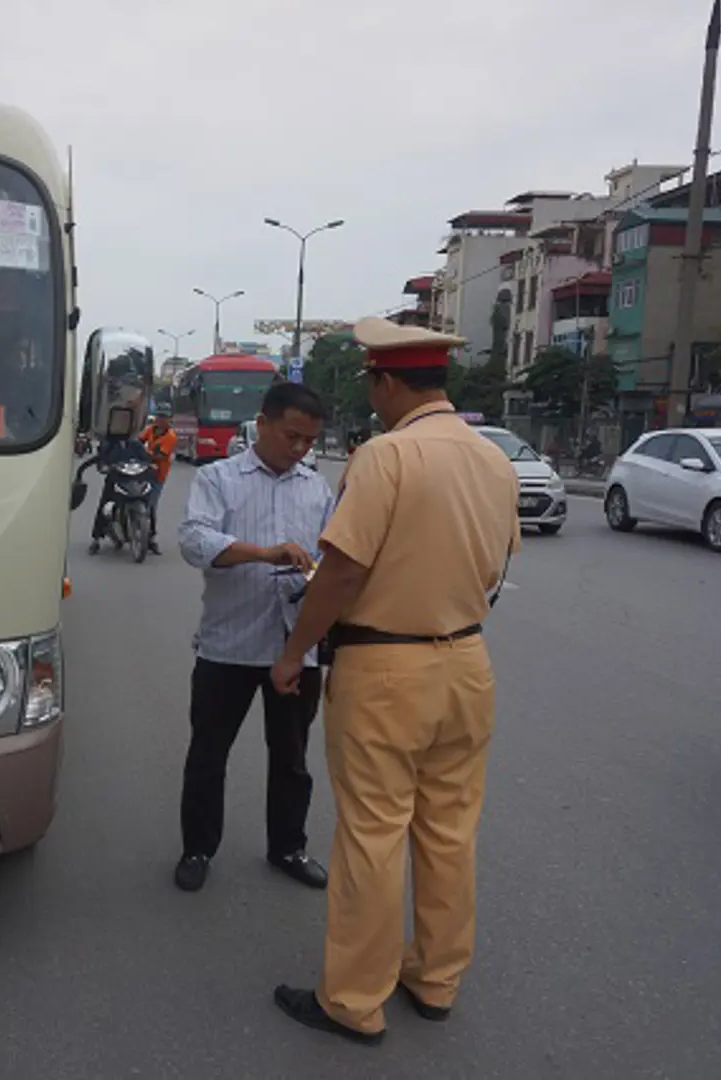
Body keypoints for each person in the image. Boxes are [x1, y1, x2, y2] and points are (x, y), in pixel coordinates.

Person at [264, 317, 518, 1046]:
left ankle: (351, 999)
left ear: (383, 380)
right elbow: (498, 569)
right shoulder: (490, 458)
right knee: (448, 831)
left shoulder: (387, 456)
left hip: (384, 669)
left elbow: (341, 569)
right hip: (466, 663)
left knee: (372, 835)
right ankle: (434, 980)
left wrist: (292, 655)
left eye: (371, 384)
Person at [174, 381, 334, 894]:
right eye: (292, 436)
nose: (300, 449)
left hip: (296, 647)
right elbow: (195, 541)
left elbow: (333, 556)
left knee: (291, 758)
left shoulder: (317, 487)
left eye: (310, 441)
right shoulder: (218, 478)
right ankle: (197, 847)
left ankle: (288, 846)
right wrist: (264, 554)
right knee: (208, 755)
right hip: (229, 646)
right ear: (261, 425)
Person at [87, 432, 156, 555]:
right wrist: (104, 466)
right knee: (104, 504)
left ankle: (151, 537)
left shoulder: (136, 445)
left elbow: (146, 458)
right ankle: (95, 539)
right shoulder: (109, 444)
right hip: (116, 480)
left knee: (149, 506)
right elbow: (102, 459)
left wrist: (151, 464)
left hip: (135, 480)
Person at [139, 407, 179, 554]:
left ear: (170, 420)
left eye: (164, 418)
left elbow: (161, 456)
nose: (161, 420)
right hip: (144, 471)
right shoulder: (150, 430)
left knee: (151, 505)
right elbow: (139, 441)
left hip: (158, 475)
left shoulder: (170, 436)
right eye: (159, 417)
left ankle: (151, 537)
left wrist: (144, 453)